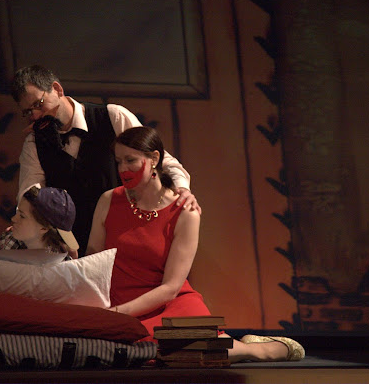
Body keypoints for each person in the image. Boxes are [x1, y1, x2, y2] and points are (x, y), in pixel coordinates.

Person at [86, 127, 304, 363]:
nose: (122, 169)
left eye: (130, 160)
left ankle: (260, 350)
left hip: (166, 303)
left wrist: (118, 314)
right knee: (128, 351)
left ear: (155, 159)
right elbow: (92, 260)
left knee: (181, 353)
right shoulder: (109, 200)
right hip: (117, 302)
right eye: (118, 161)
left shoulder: (185, 212)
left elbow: (170, 288)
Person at [11, 65, 201, 254]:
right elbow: (30, 194)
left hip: (126, 236)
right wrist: (24, 219)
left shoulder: (113, 117)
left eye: (39, 104)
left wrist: (182, 189)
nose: (36, 115)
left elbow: (161, 162)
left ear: (57, 89)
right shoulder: (34, 143)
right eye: (28, 112)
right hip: (74, 247)